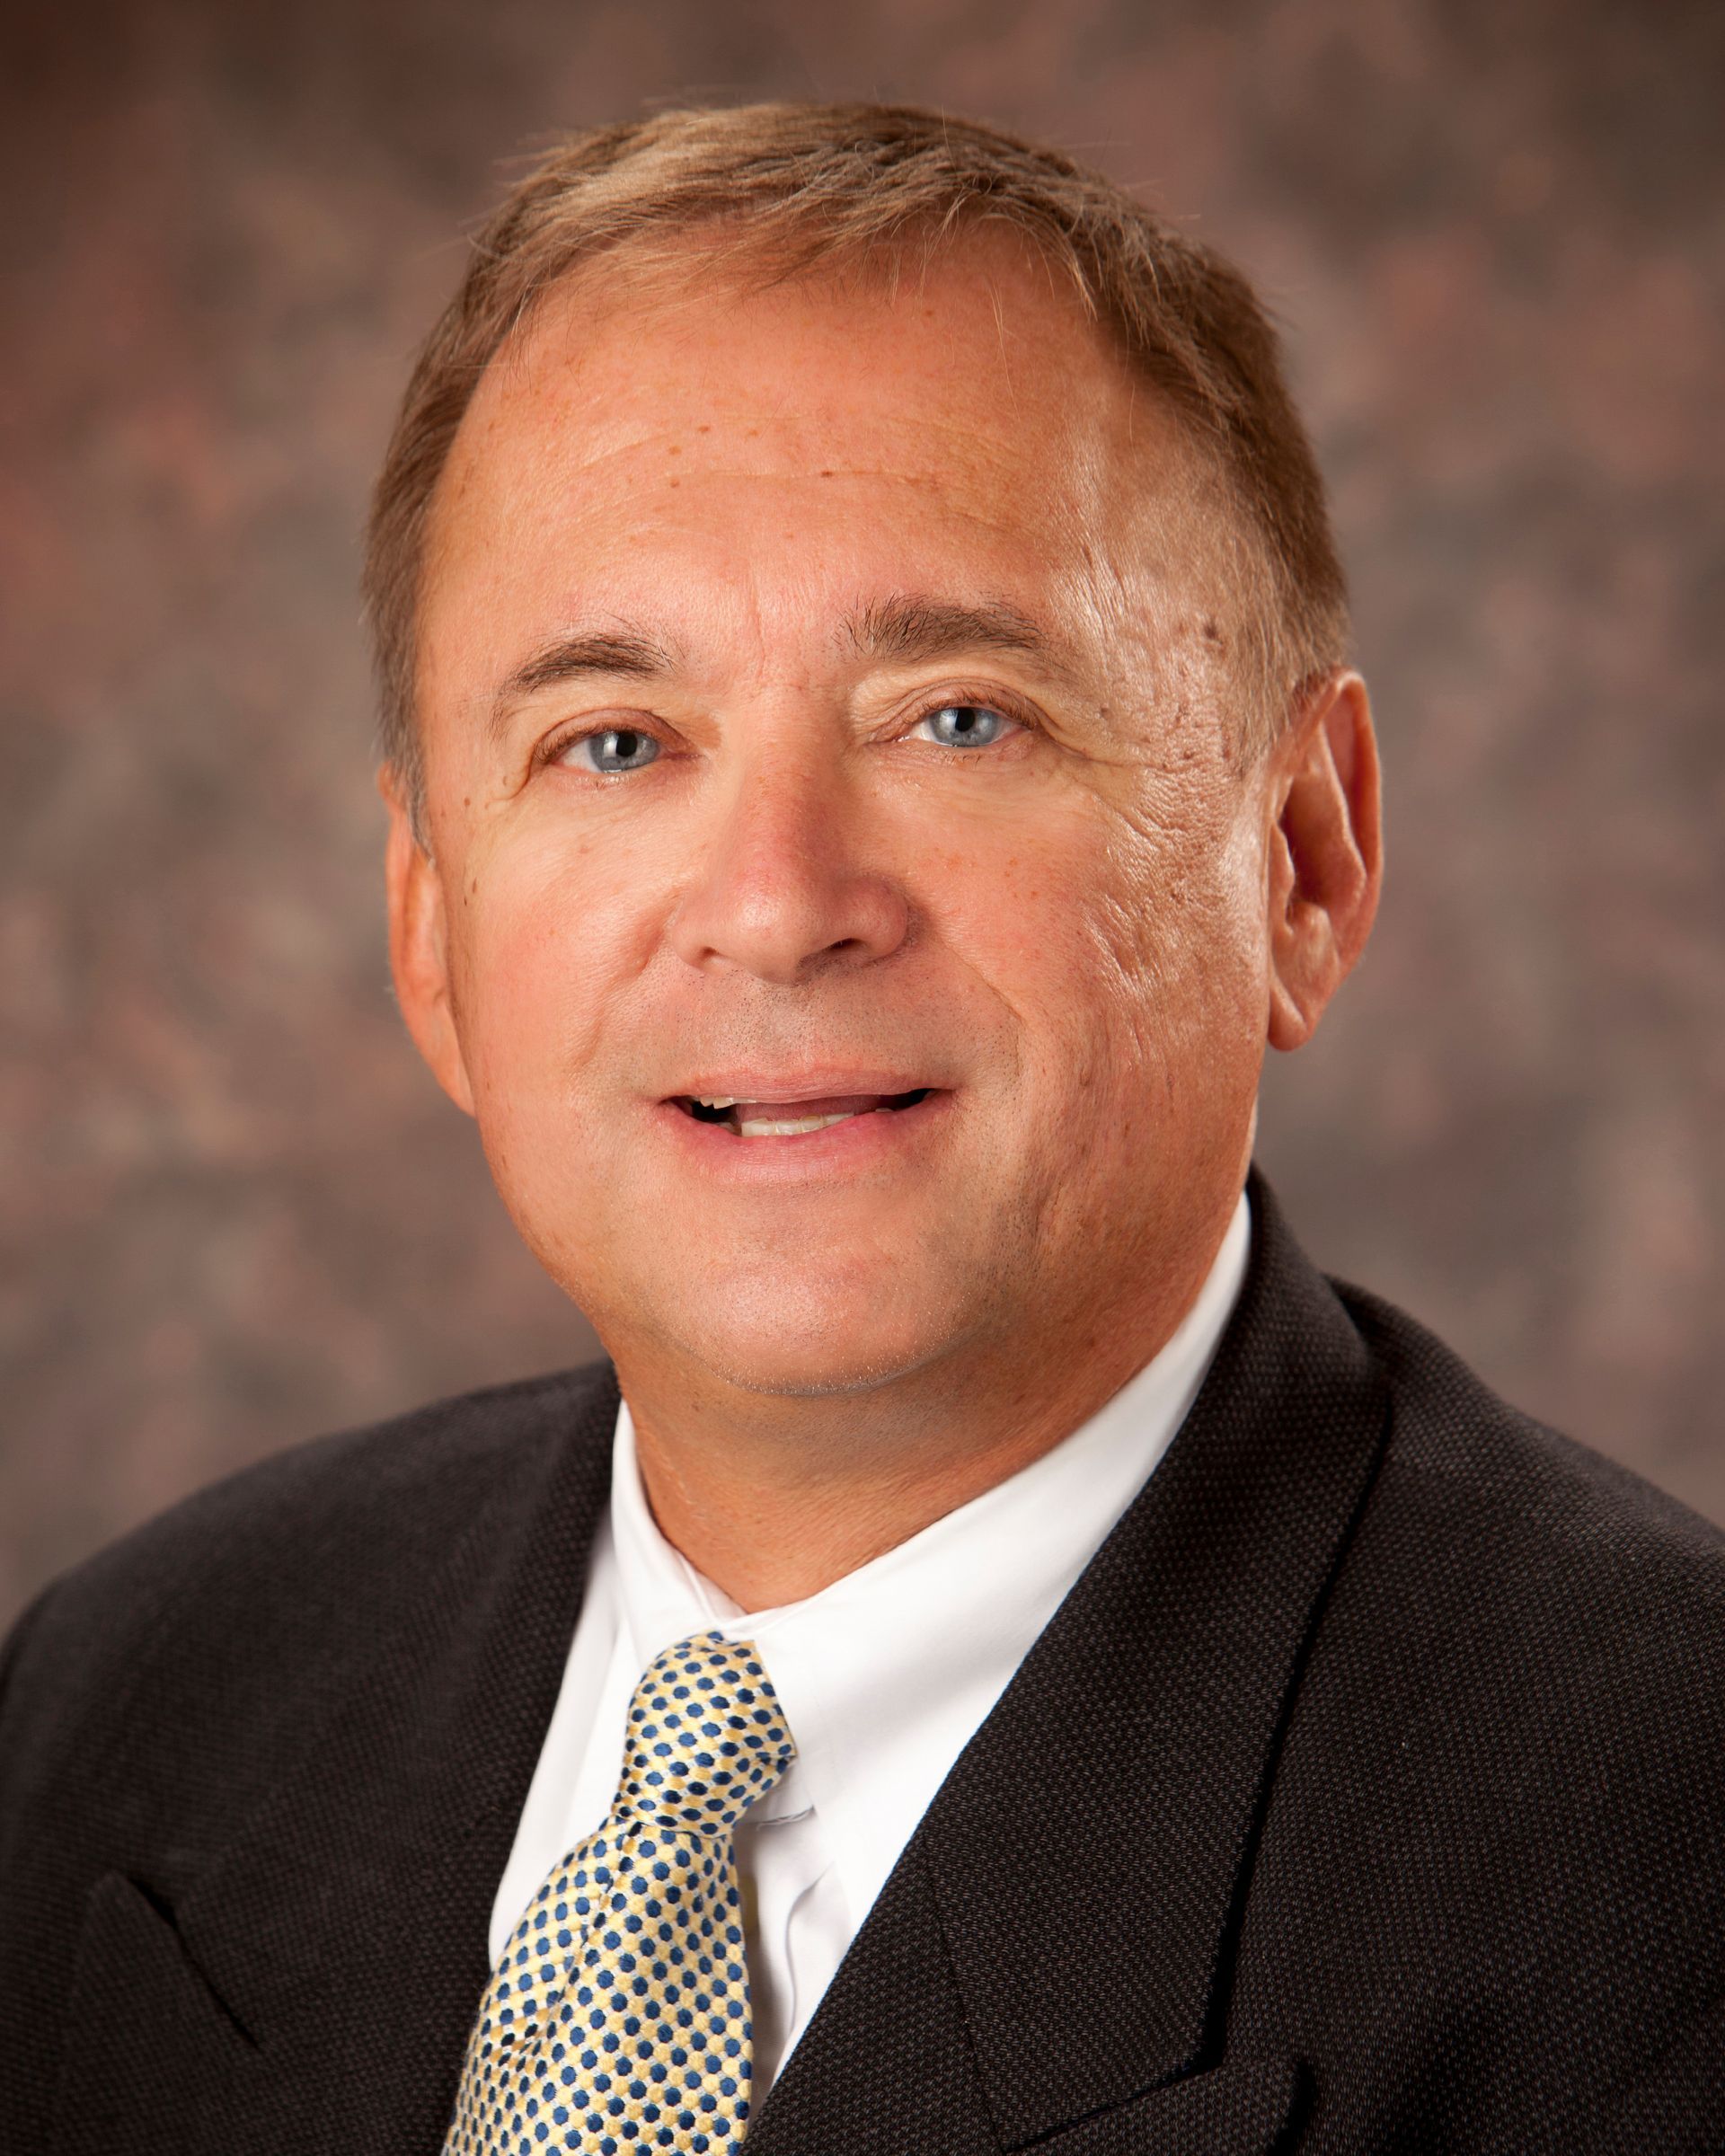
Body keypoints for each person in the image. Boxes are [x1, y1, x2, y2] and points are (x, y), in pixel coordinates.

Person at [1, 102, 1720, 2156]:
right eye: (614, 741)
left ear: (1303, 857)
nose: (780, 897)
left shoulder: (1665, 1878)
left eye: (961, 716)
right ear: (434, 937)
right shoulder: (119, 1701)